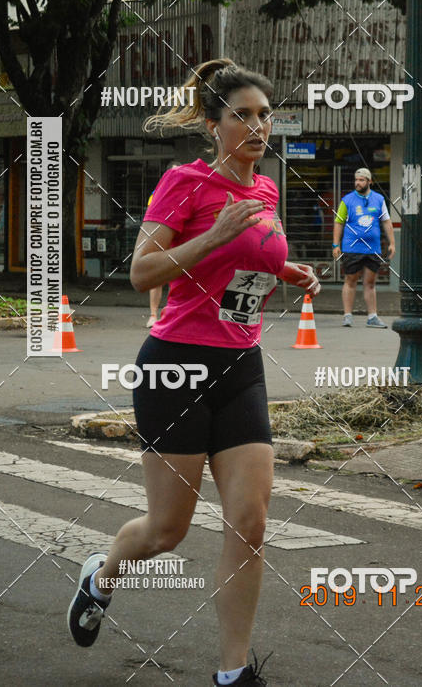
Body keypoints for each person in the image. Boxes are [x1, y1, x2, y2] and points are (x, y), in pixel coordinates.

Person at [67, 59, 320, 686]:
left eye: (264, 115)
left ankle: (234, 671)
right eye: (243, 115)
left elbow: (251, 260)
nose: (258, 126)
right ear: (213, 125)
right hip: (174, 366)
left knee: (252, 520)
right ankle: (101, 575)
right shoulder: (184, 182)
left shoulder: (263, 190)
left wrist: (291, 274)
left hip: (241, 366)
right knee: (167, 530)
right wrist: (210, 238)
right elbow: (143, 272)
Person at [332, 167, 395, 328]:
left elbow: (386, 222)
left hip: (372, 249)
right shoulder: (347, 200)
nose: (357, 183)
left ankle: (372, 317)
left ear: (369, 181)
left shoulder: (379, 199)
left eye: (361, 180)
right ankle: (347, 315)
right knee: (350, 280)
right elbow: (339, 222)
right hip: (352, 248)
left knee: (370, 282)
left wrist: (392, 243)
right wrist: (335, 244)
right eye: (356, 180)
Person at [146, 164, 180, 327]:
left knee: (179, 279)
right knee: (157, 278)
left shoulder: (189, 192)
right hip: (163, 239)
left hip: (181, 240)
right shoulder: (158, 193)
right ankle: (153, 315)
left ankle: (173, 313)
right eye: (172, 172)